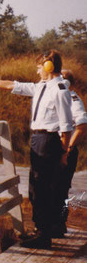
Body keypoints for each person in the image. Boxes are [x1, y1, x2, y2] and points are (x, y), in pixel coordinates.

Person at [0, 51, 73, 249]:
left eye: (39, 66)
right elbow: (11, 85)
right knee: (36, 188)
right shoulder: (42, 87)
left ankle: (44, 236)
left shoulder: (59, 90)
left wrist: (64, 153)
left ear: (49, 67)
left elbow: (66, 126)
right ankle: (40, 230)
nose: (37, 70)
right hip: (38, 139)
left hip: (48, 140)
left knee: (43, 188)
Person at [53, 70, 87, 236]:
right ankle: (51, 226)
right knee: (52, 188)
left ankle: (59, 226)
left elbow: (81, 126)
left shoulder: (73, 100)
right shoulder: (59, 98)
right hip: (54, 149)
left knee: (61, 189)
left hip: (66, 151)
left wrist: (68, 148)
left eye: (63, 78)